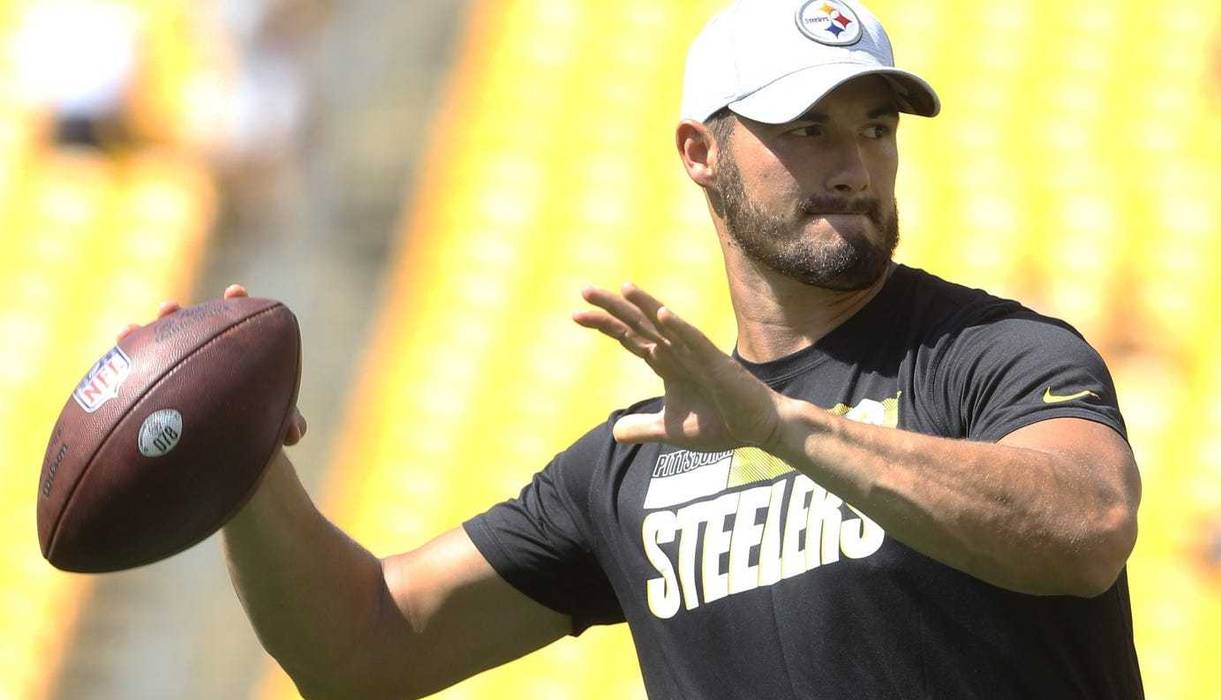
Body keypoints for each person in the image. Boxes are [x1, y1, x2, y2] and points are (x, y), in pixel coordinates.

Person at [122, 0, 1144, 697]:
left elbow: (1087, 522)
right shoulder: (636, 460)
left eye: (875, 128)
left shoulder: (990, 355)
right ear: (700, 151)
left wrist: (782, 430)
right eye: (808, 129)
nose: (853, 164)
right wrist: (240, 453)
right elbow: (361, 649)